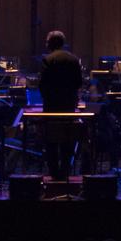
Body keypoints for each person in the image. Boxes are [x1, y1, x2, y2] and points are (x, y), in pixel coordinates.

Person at [38, 30, 83, 180]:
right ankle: (65, 173)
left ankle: (54, 175)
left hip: (51, 107)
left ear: (50, 44)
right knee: (68, 141)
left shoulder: (47, 59)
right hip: (69, 106)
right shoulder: (73, 59)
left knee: (51, 142)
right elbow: (78, 83)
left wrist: (48, 99)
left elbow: (42, 85)